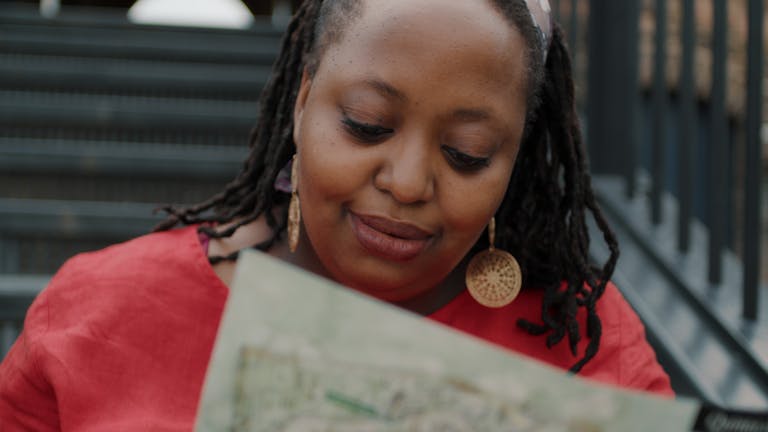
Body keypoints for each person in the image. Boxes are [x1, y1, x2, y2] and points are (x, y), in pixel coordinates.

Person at [0, 0, 674, 429]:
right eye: (366, 125)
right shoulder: (105, 308)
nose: (407, 183)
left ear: (516, 160)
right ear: (301, 97)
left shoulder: (588, 341)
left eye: (467, 154)